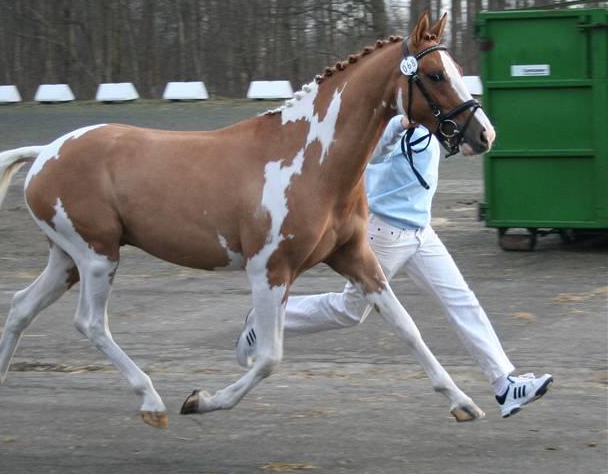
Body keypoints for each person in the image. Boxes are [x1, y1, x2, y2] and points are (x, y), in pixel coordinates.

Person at [236, 114, 552, 418]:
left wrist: (480, 132)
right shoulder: (387, 123)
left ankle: (504, 384)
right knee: (350, 311)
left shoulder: (432, 118)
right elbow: (371, 156)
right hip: (384, 234)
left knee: (461, 300)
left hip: (421, 233)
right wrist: (399, 125)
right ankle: (265, 319)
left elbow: (461, 139)